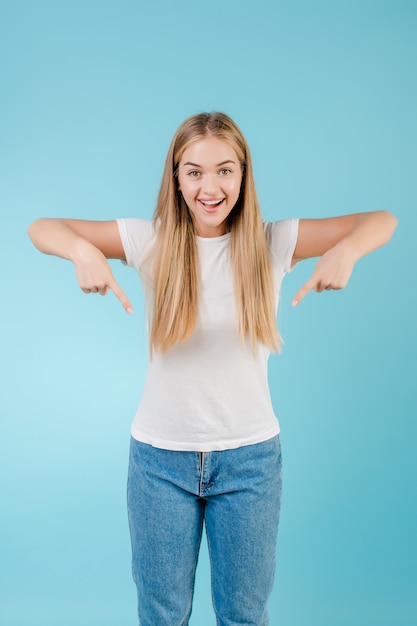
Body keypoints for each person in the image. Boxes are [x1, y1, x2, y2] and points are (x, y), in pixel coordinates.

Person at [28, 112, 397, 626]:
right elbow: (42, 227)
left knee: (244, 616)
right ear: (176, 178)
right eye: (194, 171)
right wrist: (81, 252)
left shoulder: (274, 243)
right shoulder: (148, 241)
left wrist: (348, 251)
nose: (210, 186)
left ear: (244, 176)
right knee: (162, 616)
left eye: (225, 170)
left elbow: (381, 219)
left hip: (249, 464)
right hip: (159, 465)